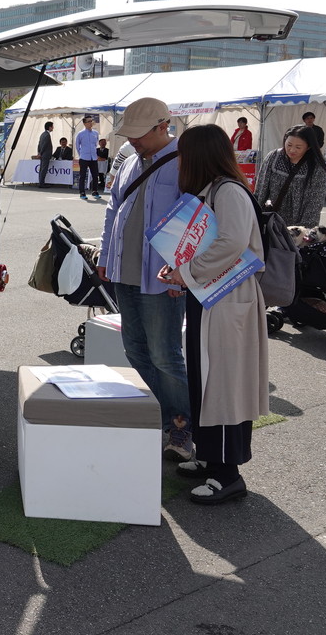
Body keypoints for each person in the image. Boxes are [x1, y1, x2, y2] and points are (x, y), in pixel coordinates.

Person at [159, 124, 268, 505]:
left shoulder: (228, 191)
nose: (179, 163)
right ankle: (210, 458)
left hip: (227, 297)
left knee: (222, 383)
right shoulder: (214, 190)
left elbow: (232, 242)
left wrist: (187, 272)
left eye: (183, 155)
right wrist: (181, 271)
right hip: (212, 296)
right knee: (205, 379)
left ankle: (227, 474)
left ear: (198, 156)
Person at [96, 98, 191, 459]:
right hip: (125, 271)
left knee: (165, 354)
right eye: (129, 134)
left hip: (163, 277)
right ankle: (160, 418)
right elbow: (113, 210)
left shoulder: (185, 162)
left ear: (162, 126)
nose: (132, 140)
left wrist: (182, 273)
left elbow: (196, 222)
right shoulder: (130, 162)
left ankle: (182, 427)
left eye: (138, 134)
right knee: (135, 349)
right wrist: (105, 255)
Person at [253, 125, 326, 227]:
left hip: (299, 225)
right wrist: (254, 216)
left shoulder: (317, 166)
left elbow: (315, 202)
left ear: (309, 147)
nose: (292, 150)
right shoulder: (274, 157)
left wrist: (303, 229)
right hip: (273, 221)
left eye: (298, 147)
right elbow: (260, 190)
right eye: (289, 145)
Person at [75, 115, 101, 200]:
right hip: (84, 157)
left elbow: (96, 144)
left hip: (93, 157)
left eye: (91, 121)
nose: (91, 123)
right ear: (84, 123)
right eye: (89, 121)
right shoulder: (80, 134)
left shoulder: (95, 133)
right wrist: (81, 154)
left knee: (95, 175)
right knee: (82, 176)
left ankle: (95, 191)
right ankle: (82, 192)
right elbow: (77, 146)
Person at [35, 122, 54, 187]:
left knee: (41, 169)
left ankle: (41, 182)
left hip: (42, 154)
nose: (53, 128)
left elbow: (39, 144)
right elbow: (44, 145)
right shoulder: (47, 135)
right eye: (52, 126)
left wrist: (39, 152)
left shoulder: (42, 134)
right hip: (45, 154)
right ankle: (42, 183)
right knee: (44, 169)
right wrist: (40, 153)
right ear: (49, 127)